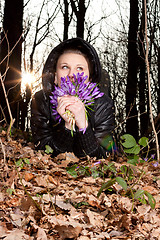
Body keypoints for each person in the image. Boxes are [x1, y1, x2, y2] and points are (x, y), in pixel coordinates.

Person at [31, 37, 115, 159]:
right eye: (65, 67)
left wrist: (83, 125)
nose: (71, 75)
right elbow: (43, 151)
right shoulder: (41, 101)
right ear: (55, 76)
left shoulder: (103, 105)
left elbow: (103, 156)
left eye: (80, 68)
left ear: (90, 78)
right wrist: (68, 126)